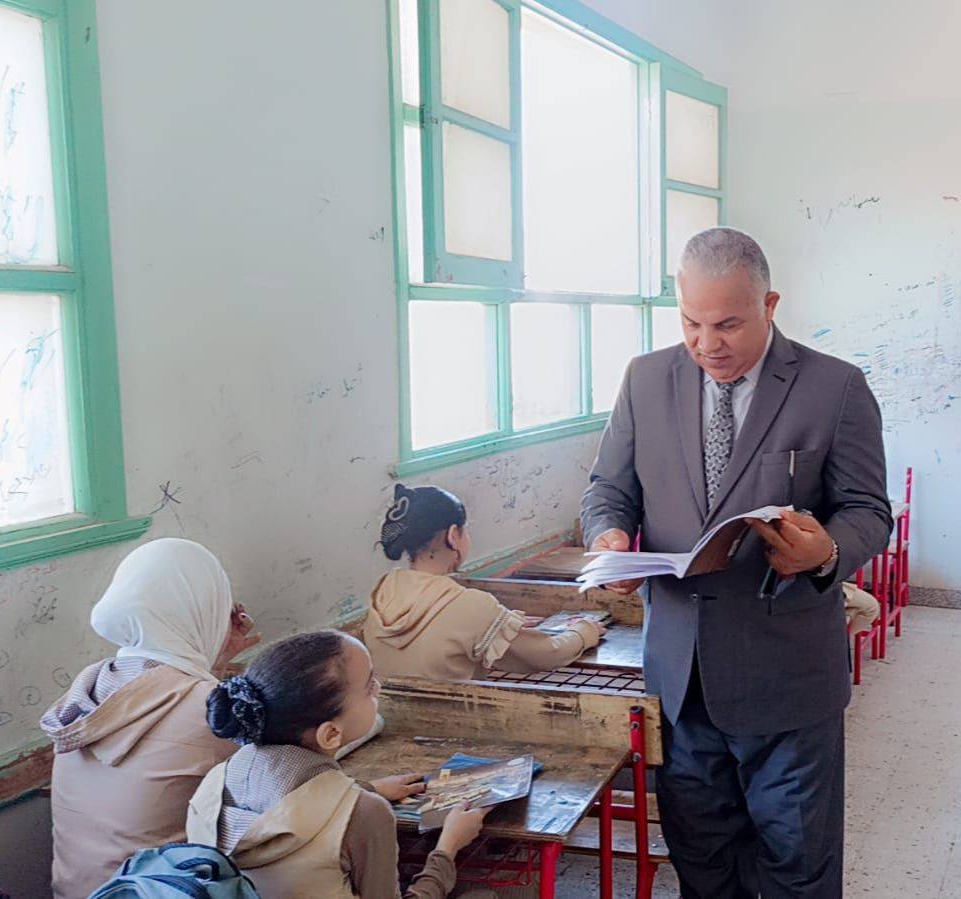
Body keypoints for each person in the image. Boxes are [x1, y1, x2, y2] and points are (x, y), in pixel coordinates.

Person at [581, 227, 892, 898]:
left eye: (727, 324)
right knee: (701, 858)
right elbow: (608, 489)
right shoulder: (646, 380)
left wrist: (826, 550)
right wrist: (610, 536)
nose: (707, 343)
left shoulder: (833, 386)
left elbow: (869, 509)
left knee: (796, 862)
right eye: (691, 322)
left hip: (787, 676)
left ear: (769, 304)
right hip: (681, 677)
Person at [187, 630, 489, 898]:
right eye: (369, 687)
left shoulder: (215, 783)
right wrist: (447, 848)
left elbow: (281, 810)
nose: (378, 688)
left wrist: (364, 789)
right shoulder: (366, 813)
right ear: (331, 734)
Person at [40, 538, 260, 899]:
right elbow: (277, 784)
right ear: (203, 612)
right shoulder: (206, 708)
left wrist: (214, 659)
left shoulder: (93, 686)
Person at [364, 484, 604, 680]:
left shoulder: (384, 589)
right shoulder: (471, 606)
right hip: (454, 721)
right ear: (453, 536)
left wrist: (500, 622)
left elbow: (448, 625)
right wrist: (584, 631)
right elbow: (545, 654)